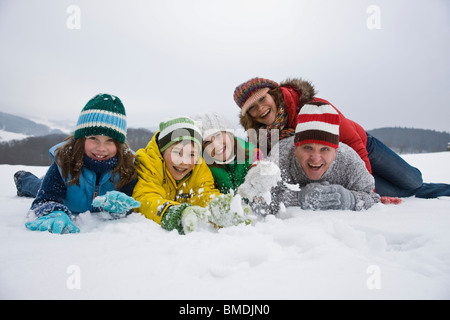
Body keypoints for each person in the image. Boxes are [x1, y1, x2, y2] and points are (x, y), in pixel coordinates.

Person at [234, 77, 450, 199]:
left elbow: (352, 140)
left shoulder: (309, 104)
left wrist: (369, 189)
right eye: (252, 108)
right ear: (249, 116)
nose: (261, 109)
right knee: (401, 192)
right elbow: (263, 164)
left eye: (262, 99)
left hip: (363, 147)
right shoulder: (262, 136)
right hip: (334, 164)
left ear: (273, 93)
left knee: (413, 182)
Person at [15, 93, 140, 234]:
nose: (101, 148)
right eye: (93, 138)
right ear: (81, 139)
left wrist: (119, 208)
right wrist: (53, 211)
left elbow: (130, 202)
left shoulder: (127, 168)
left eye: (110, 140)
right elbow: (44, 200)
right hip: (64, 192)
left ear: (119, 144)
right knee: (36, 186)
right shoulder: (64, 164)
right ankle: (23, 178)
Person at [132, 116, 252, 235]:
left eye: (191, 154)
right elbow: (145, 197)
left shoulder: (199, 167)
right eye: (177, 152)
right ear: (163, 151)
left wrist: (217, 205)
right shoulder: (149, 163)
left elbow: (203, 193)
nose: (184, 161)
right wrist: (173, 213)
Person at [264, 104, 380, 214]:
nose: (315, 158)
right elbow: (260, 197)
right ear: (296, 149)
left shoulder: (349, 160)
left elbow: (372, 197)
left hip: (369, 147)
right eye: (308, 147)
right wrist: (300, 197)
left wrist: (350, 199)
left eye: (324, 149)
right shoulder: (279, 156)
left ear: (335, 152)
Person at [194, 112, 263, 194]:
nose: (216, 145)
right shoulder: (204, 167)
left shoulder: (253, 154)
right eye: (207, 142)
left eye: (218, 135)